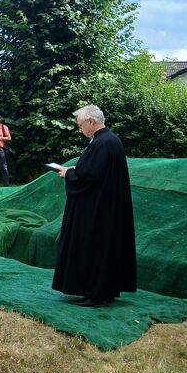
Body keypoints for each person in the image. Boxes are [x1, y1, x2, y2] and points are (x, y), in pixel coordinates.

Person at [52, 105, 137, 308]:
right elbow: (97, 171)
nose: (80, 129)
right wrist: (76, 169)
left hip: (97, 209)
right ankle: (103, 292)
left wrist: (69, 174)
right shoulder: (110, 140)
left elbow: (88, 176)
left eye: (80, 125)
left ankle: (95, 293)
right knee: (105, 249)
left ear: (91, 121)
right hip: (107, 206)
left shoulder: (101, 142)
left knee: (94, 248)